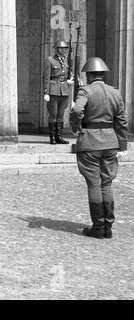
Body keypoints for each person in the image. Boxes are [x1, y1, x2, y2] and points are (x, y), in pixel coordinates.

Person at [70, 57, 129, 239]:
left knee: (94, 184)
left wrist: (75, 127)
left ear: (88, 75)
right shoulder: (114, 93)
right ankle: (108, 227)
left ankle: (98, 226)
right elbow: (122, 121)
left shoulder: (85, 91)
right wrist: (123, 144)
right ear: (103, 74)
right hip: (110, 142)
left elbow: (76, 110)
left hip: (90, 143)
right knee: (107, 183)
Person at [43, 40, 74, 145]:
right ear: (57, 49)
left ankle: (59, 136)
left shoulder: (67, 60)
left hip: (64, 90)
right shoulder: (50, 60)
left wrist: (70, 80)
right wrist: (46, 92)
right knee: (54, 114)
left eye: (65, 48)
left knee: (61, 114)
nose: (64, 50)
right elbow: (46, 77)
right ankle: (52, 137)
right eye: (62, 48)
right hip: (54, 89)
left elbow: (69, 74)